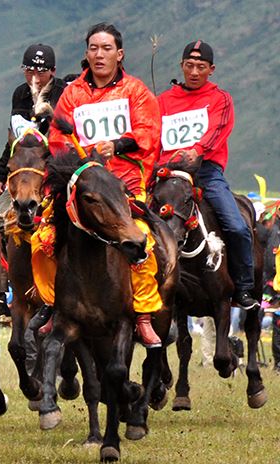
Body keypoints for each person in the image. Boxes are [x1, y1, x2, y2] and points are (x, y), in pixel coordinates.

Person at [29, 23, 163, 347]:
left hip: (124, 184)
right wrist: (81, 160)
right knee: (42, 239)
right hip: (83, 188)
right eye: (93, 48)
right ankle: (51, 304)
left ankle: (143, 315)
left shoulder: (136, 91)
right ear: (86, 53)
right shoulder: (72, 94)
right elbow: (58, 141)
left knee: (143, 239)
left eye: (106, 49)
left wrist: (115, 146)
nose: (99, 54)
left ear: (120, 54)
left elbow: (149, 132)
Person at [157, 40, 259, 312]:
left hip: (206, 171)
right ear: (181, 66)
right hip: (168, 174)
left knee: (237, 226)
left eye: (200, 67)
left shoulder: (220, 99)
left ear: (210, 69)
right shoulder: (163, 101)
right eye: (189, 66)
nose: (193, 72)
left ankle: (243, 286)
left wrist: (197, 150)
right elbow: (153, 137)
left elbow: (218, 131)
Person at [0, 44, 66, 197]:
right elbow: (15, 140)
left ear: (53, 71)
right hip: (23, 172)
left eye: (42, 72)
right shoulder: (20, 94)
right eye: (29, 71)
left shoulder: (64, 93)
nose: (35, 79)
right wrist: (0, 175)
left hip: (55, 172)